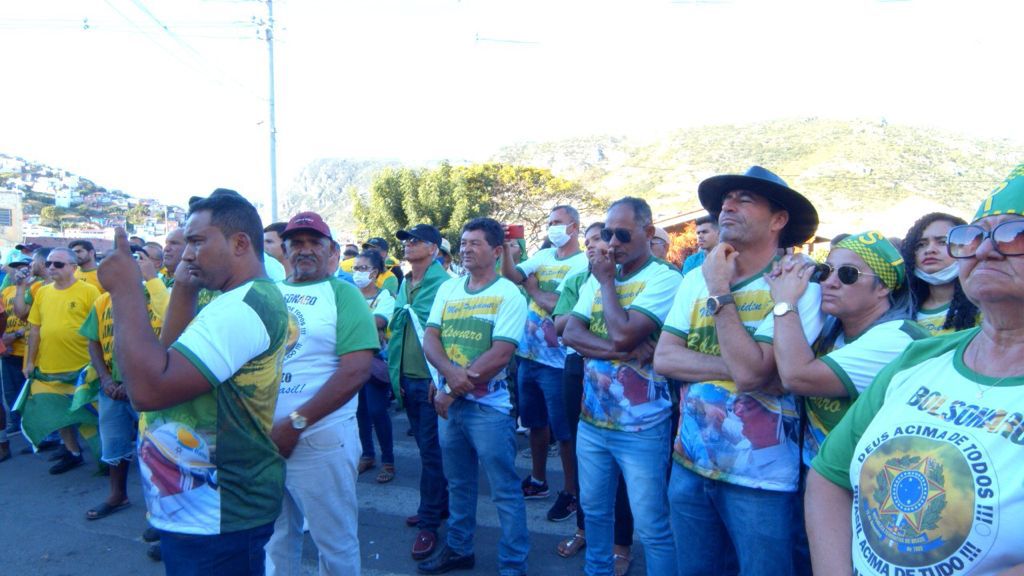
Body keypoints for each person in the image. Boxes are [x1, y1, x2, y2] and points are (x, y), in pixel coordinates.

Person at [807, 164, 1024, 575]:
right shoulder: (918, 359)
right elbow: (829, 475)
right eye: (974, 236)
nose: (984, 250)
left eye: (1014, 234)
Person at [97, 189, 288, 575]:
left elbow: (148, 391)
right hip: (198, 513)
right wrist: (184, 289)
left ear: (239, 243)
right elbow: (164, 359)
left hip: (220, 516)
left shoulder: (243, 307)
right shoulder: (230, 300)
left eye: (197, 241)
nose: (187, 254)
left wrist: (126, 290)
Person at [654, 166, 823, 575]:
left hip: (761, 482)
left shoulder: (798, 287)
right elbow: (664, 359)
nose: (727, 206)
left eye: (744, 199)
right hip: (689, 466)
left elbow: (750, 375)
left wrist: (720, 291)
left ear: (778, 220)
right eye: (726, 199)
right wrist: (752, 369)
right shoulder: (695, 279)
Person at [766, 231, 929, 571]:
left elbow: (795, 375)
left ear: (883, 287)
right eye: (826, 271)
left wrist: (784, 301)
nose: (830, 282)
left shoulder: (896, 339)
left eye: (848, 274)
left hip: (865, 496)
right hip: (820, 480)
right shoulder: (833, 328)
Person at [563, 197, 682, 576]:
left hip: (642, 428)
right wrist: (622, 352)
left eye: (623, 234)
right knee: (595, 512)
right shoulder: (600, 276)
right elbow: (570, 333)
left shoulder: (664, 278)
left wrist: (607, 284)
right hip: (592, 423)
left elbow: (623, 332)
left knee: (652, 525)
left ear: (648, 232)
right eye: (608, 233)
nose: (612, 243)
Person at [265, 211, 379, 575]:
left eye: (315, 242)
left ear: (331, 252)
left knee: (334, 543)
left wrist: (296, 423)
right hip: (265, 439)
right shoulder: (269, 293)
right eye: (296, 243)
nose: (305, 249)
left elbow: (355, 370)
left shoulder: (343, 294)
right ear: (284, 250)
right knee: (276, 538)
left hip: (320, 439)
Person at [419, 217, 529, 576]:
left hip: (489, 410)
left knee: (505, 490)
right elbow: (431, 338)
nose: (466, 248)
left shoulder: (509, 294)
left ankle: (513, 564)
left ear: (496, 251)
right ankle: (459, 549)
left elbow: (500, 354)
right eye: (463, 242)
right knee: (458, 484)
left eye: (475, 243)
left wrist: (450, 389)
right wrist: (449, 379)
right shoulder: (449, 290)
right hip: (450, 407)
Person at [552, 222, 636, 571]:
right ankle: (584, 529)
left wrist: (589, 331)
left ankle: (621, 544)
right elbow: (562, 328)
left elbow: (623, 330)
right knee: (585, 456)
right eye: (586, 241)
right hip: (578, 370)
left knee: (621, 461)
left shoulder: (627, 280)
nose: (590, 246)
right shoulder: (578, 281)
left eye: (597, 239)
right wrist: (617, 347)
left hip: (625, 380)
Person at [500, 205, 589, 521]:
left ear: (574, 227)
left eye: (558, 222)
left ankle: (571, 492)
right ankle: (538, 480)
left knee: (564, 431)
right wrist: (507, 250)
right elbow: (512, 276)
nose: (552, 227)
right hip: (528, 356)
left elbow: (560, 305)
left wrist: (534, 288)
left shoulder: (583, 263)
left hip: (559, 362)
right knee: (535, 423)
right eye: (550, 222)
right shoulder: (544, 255)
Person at [81, 244, 168, 520]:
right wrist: (106, 378)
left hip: (150, 387)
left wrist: (134, 383)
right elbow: (93, 341)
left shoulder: (160, 294)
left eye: (137, 258)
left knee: (157, 449)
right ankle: (117, 495)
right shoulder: (103, 301)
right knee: (114, 444)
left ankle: (162, 508)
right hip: (112, 388)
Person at [387, 223, 451, 561]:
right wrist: (395, 373)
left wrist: (439, 378)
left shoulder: (445, 285)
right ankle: (438, 505)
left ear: (434, 249)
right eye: (407, 240)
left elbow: (449, 335)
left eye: (416, 241)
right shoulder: (405, 282)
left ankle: (429, 522)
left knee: (430, 452)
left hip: (429, 380)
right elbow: (400, 329)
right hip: (406, 377)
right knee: (427, 448)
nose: (409, 245)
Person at [22, 247, 101, 472]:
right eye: (48, 263)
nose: (51, 268)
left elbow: (99, 329)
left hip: (84, 368)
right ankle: (73, 452)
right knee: (60, 414)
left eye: (58, 264)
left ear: (73, 268)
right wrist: (30, 362)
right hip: (49, 369)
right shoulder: (42, 292)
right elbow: (35, 330)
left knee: (91, 414)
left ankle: (108, 456)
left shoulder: (89, 291)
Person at [353, 248, 398, 484]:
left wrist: (351, 323)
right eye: (356, 268)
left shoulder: (386, 297)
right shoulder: (349, 296)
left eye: (363, 268)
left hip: (376, 364)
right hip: (351, 364)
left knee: (377, 411)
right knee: (359, 411)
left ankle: (388, 460)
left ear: (375, 272)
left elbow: (379, 321)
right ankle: (367, 455)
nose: (358, 272)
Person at [901, 212, 979, 336]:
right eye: (921, 245)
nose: (929, 250)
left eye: (942, 242)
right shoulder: (902, 312)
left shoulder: (984, 307)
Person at [1, 256, 33, 437]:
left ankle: (30, 426)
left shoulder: (36, 288)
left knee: (28, 392)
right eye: (16, 268)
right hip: (9, 350)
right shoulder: (6, 291)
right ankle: (15, 423)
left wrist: (17, 334)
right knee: (11, 391)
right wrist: (2, 342)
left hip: (26, 350)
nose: (19, 271)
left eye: (24, 267)